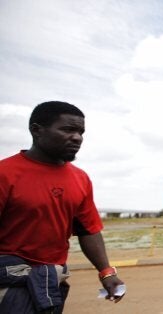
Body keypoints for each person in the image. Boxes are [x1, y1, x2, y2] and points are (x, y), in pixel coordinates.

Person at [0, 101, 125, 312]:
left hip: (51, 280)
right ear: (36, 130)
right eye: (68, 129)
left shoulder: (80, 178)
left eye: (80, 132)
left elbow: (88, 230)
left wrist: (107, 272)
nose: (77, 137)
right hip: (8, 281)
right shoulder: (6, 173)